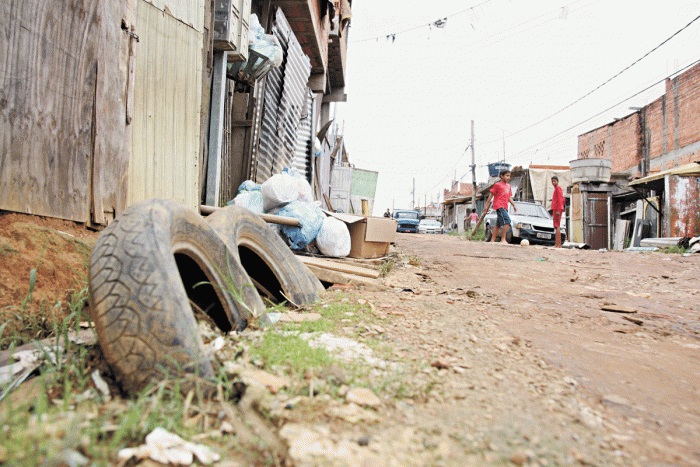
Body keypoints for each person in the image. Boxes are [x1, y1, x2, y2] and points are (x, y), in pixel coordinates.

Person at [483, 169, 517, 243]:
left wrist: (514, 205)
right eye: (507, 176)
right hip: (499, 206)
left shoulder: (508, 186)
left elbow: (509, 197)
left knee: (498, 224)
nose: (508, 177)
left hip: (505, 206)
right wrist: (486, 207)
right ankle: (503, 239)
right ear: (501, 176)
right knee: (507, 221)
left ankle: (492, 240)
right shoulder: (497, 185)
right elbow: (490, 196)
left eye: (509, 176)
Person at [550, 175, 565, 248]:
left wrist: (559, 210)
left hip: (557, 209)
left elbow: (560, 199)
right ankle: (557, 244)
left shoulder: (558, 188)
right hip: (556, 208)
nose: (553, 182)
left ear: (557, 181)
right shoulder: (556, 189)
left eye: (554, 181)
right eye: (552, 181)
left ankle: (558, 244)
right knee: (556, 226)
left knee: (557, 225)